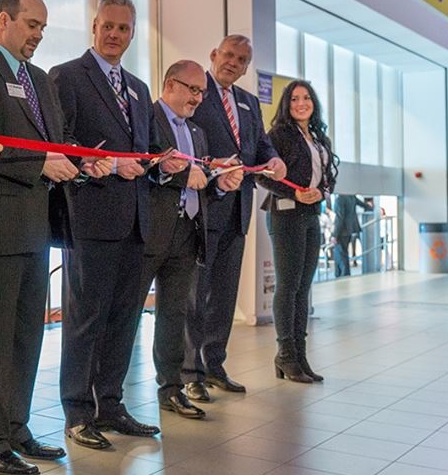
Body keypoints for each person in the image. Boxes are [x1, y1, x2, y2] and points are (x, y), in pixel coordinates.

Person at [0, 0, 109, 475]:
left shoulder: (39, 80)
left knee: (25, 337)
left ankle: (15, 429)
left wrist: (83, 162)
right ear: (4, 20)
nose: (38, 35)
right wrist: (42, 163)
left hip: (36, 227)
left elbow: (56, 144)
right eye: (31, 24)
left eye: (43, 28)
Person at [48, 0, 160, 450]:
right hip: (90, 216)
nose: (114, 34)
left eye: (123, 28)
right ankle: (77, 412)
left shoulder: (138, 88)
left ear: (132, 34)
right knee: (85, 318)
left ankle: (110, 404)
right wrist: (110, 164)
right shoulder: (67, 77)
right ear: (94, 26)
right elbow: (61, 141)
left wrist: (163, 163)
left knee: (124, 317)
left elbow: (147, 148)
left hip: (135, 219)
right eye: (108, 26)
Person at [184, 34, 286, 403]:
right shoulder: (197, 92)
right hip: (203, 207)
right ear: (214, 54)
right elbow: (186, 141)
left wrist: (273, 158)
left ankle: (214, 364)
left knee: (224, 296)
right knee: (195, 295)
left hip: (237, 211)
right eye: (228, 55)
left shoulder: (248, 101)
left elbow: (260, 145)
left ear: (245, 67)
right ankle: (190, 372)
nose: (232, 62)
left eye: (241, 59)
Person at [144, 61, 244, 420]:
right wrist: (183, 175)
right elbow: (145, 169)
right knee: (124, 317)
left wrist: (220, 184)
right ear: (170, 84)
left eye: (202, 92)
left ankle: (171, 388)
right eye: (193, 90)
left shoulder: (197, 132)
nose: (199, 98)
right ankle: (106, 400)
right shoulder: (147, 118)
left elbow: (200, 184)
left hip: (187, 233)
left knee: (175, 314)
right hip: (148, 232)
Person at [259, 81, 338, 383]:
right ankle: (285, 354)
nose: (301, 103)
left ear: (314, 103)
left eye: (306, 98)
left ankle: (300, 355)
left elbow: (328, 177)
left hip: (311, 215)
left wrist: (322, 192)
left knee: (304, 288)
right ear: (286, 104)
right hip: (285, 215)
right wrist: (294, 193)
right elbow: (263, 175)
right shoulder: (279, 135)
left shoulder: (318, 138)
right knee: (288, 286)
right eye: (294, 99)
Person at [332, 194, 371, 277]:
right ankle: (342, 274)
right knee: (344, 254)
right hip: (350, 230)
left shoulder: (340, 199)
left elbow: (339, 217)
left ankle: (343, 275)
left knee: (341, 255)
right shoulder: (351, 197)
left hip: (341, 231)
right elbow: (363, 204)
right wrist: (372, 208)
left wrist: (334, 234)